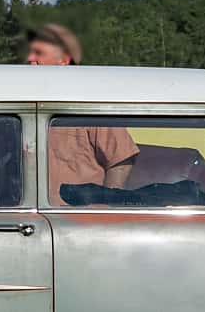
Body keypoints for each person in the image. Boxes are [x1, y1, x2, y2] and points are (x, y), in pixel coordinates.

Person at [26, 23, 140, 198]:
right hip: (22, 215)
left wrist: (106, 204)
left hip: (77, 218)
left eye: (38, 53)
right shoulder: (22, 103)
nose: (29, 59)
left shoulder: (89, 103)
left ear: (63, 60)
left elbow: (121, 159)